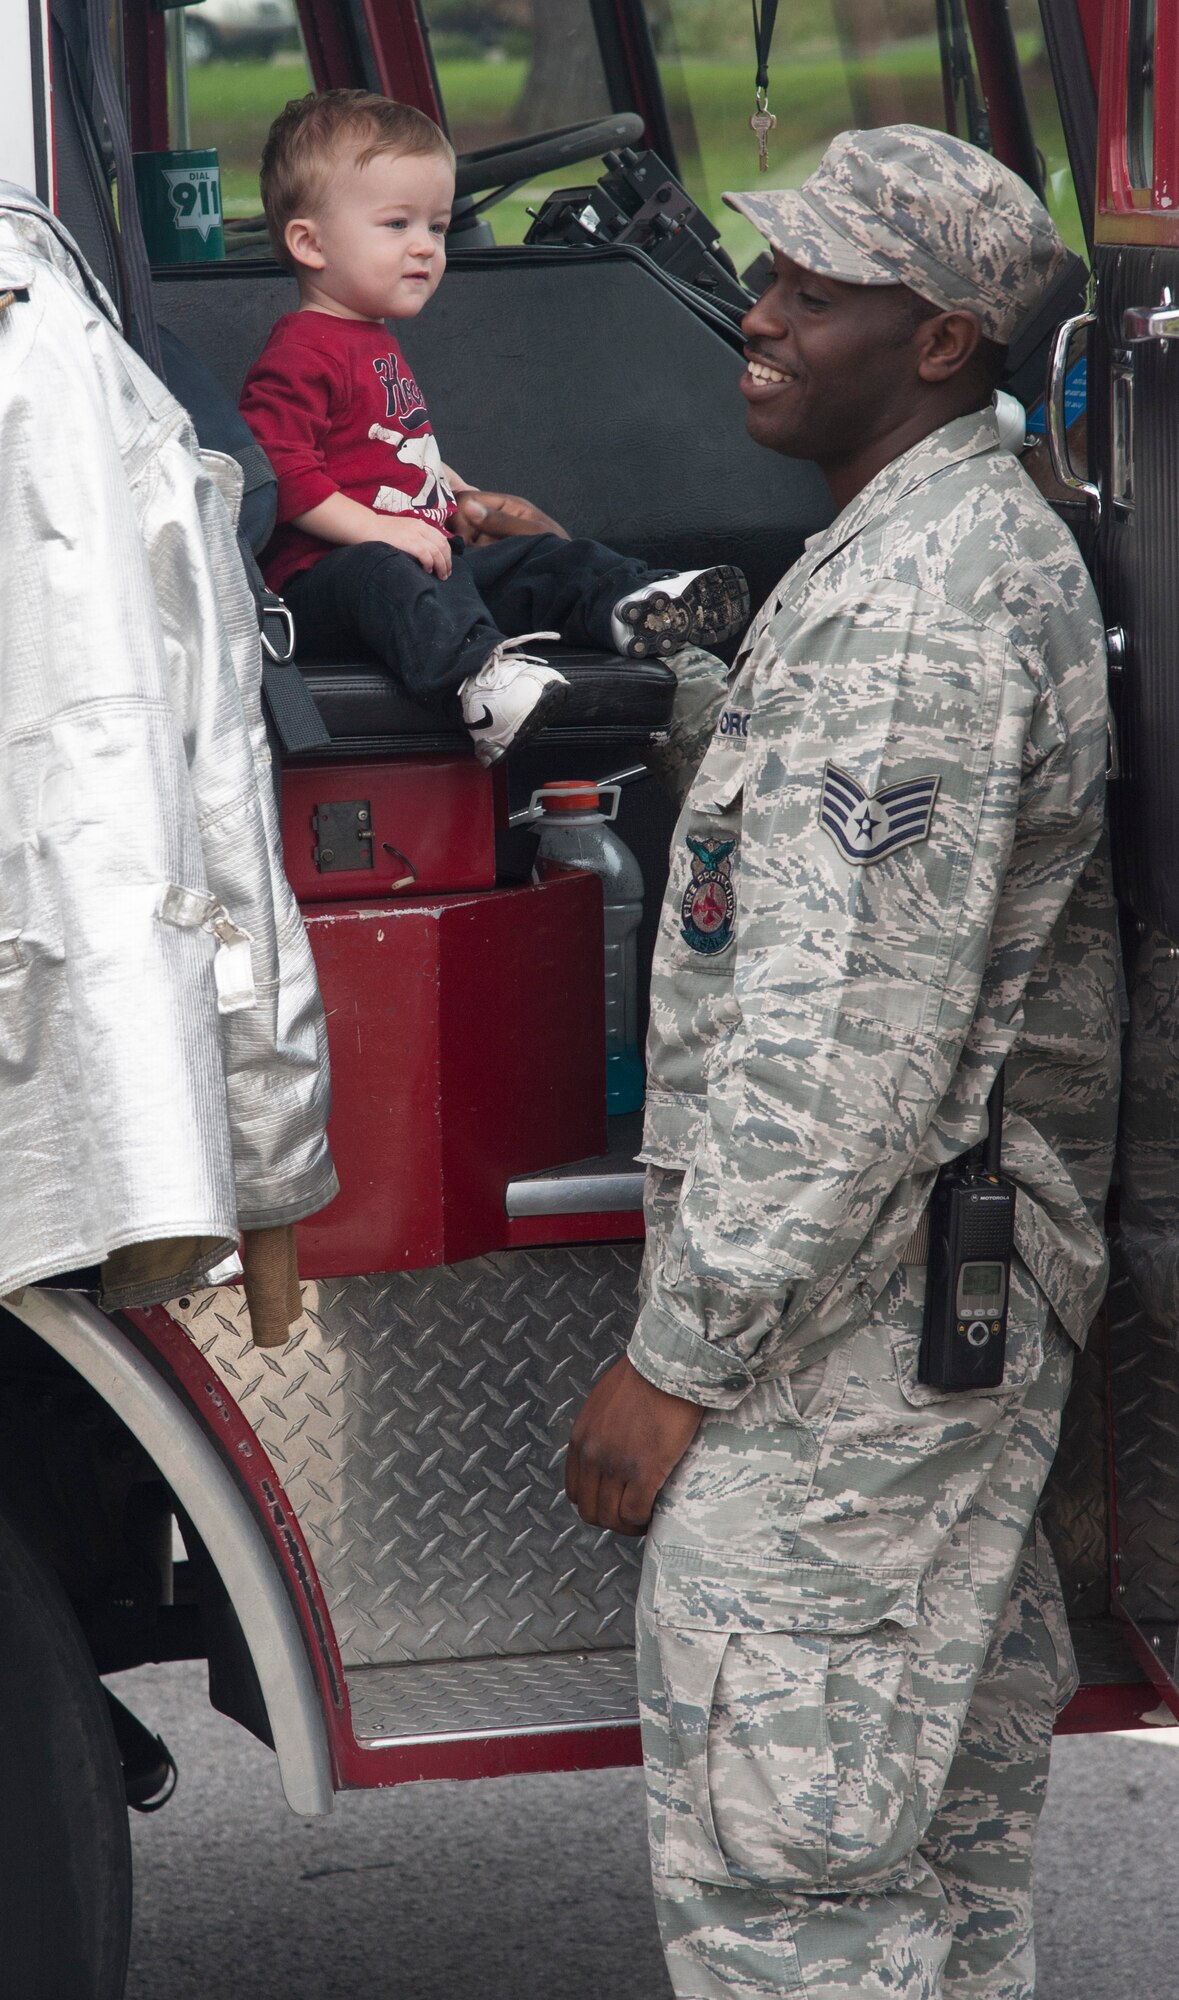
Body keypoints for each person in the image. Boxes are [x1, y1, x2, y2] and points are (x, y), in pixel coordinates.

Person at [565, 125, 1120, 1999]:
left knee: (789, 1896)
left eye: (812, 291)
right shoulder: (916, 544)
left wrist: (675, 1360)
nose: (758, 312)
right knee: (923, 1874)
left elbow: (841, 1051)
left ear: (942, 338)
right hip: (906, 1311)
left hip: (852, 1338)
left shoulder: (913, 608)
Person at [239, 90, 749, 766]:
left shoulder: (370, 337)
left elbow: (384, 445)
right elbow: (280, 470)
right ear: (310, 242)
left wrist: (455, 490)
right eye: (396, 225)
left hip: (421, 560)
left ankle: (629, 603)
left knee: (538, 559)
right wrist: (384, 530)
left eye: (437, 227)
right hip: (332, 582)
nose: (425, 248)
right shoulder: (304, 348)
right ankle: (479, 684)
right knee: (389, 573)